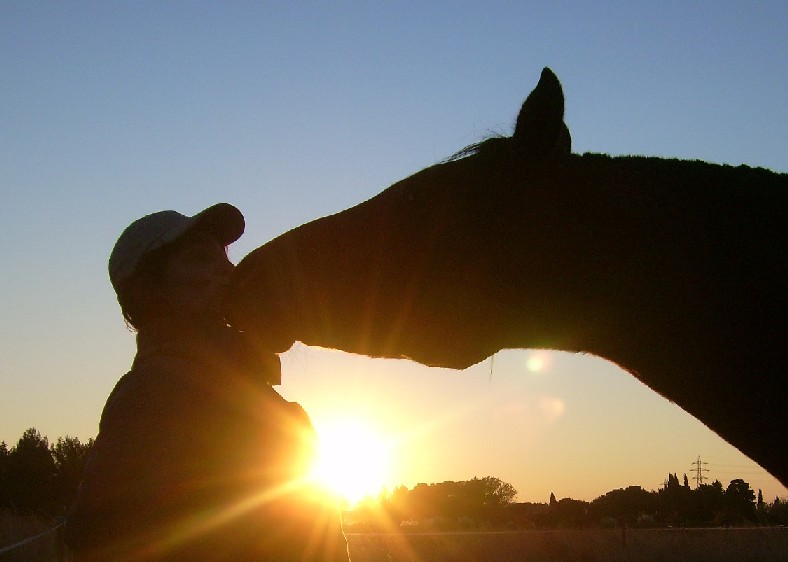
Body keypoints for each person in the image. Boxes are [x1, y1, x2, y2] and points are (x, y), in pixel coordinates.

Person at [64, 203, 348, 561]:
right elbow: (102, 539)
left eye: (224, 259)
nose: (227, 271)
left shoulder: (250, 393)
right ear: (149, 289)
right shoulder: (154, 392)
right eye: (200, 259)